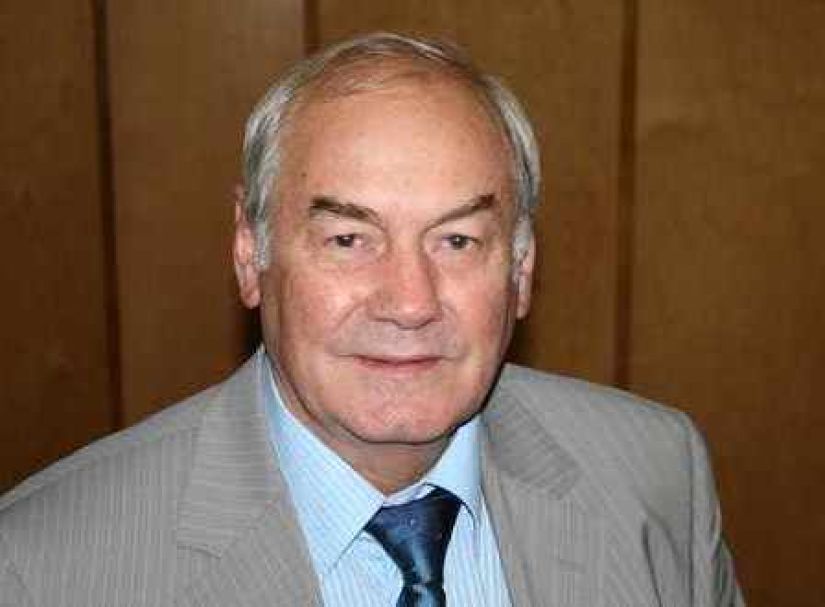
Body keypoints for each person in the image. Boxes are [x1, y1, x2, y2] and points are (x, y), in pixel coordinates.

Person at [0, 33, 743, 606]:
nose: (410, 302)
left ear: (520, 268)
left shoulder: (654, 474)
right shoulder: (42, 567)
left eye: (457, 240)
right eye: (349, 240)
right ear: (250, 252)